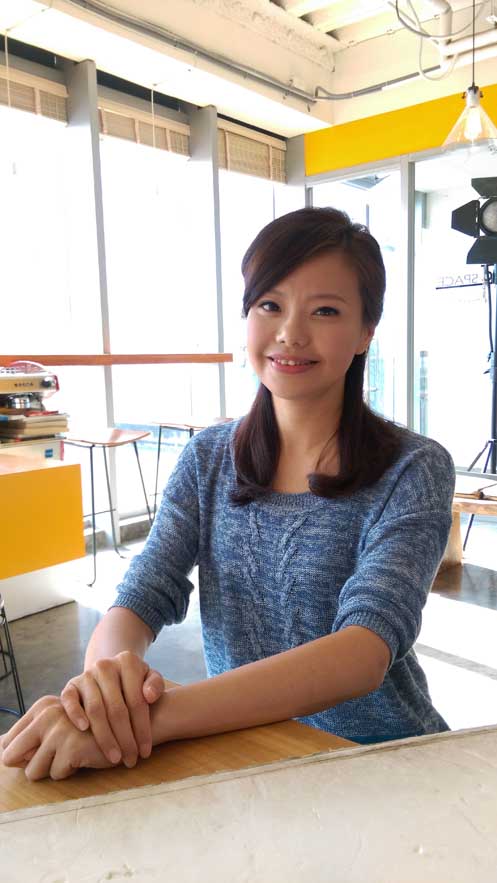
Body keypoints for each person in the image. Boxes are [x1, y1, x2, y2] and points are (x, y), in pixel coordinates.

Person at [0, 207, 455, 781]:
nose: (290, 333)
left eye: (325, 310)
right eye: (270, 305)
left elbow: (363, 650)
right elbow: (145, 590)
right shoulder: (209, 458)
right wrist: (105, 696)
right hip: (246, 753)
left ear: (367, 330)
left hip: (382, 762)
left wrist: (154, 719)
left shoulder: (414, 468)